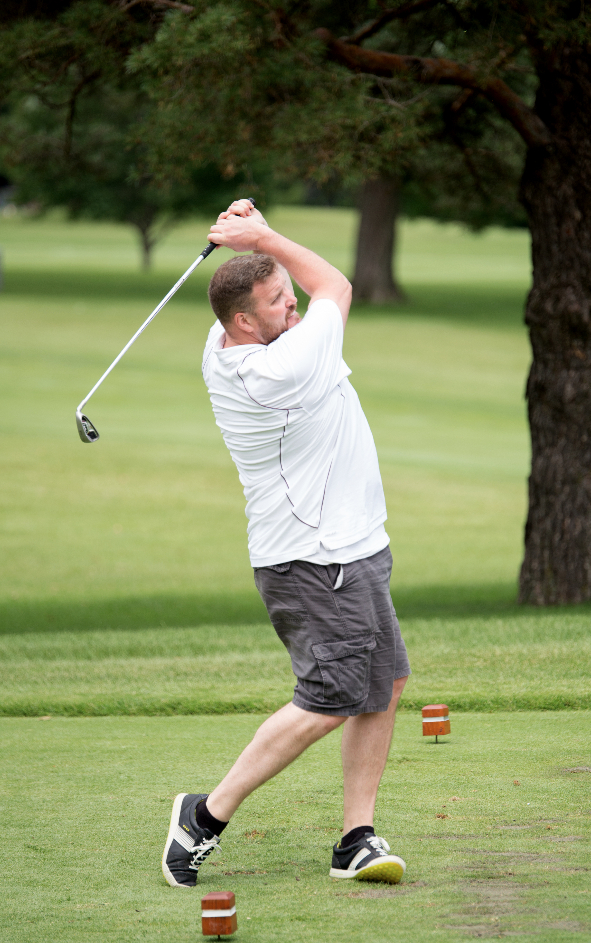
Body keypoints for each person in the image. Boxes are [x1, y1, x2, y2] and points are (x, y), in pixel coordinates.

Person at [162, 199, 410, 888]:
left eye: (288, 294)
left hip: (353, 546)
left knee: (383, 684)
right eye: (278, 301)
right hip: (313, 560)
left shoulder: (226, 343)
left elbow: (284, 289)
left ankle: (355, 838)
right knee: (330, 696)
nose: (294, 303)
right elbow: (336, 284)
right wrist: (264, 236)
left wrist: (251, 238)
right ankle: (203, 815)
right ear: (245, 322)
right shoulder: (281, 369)